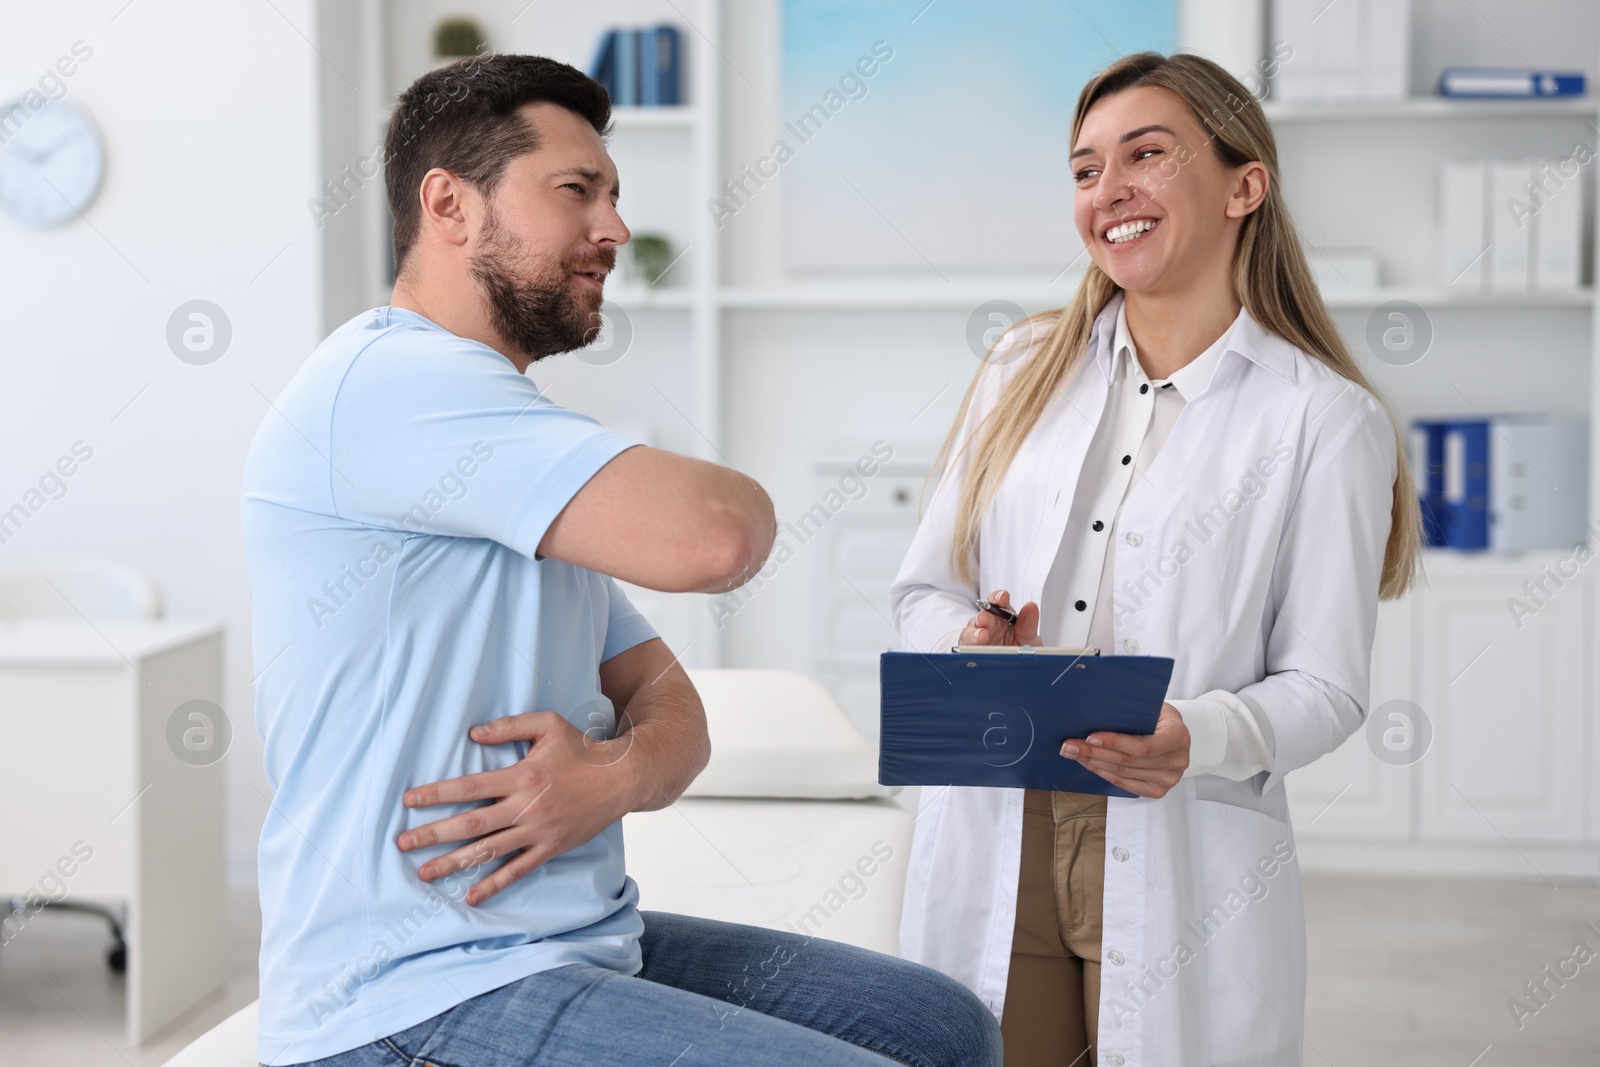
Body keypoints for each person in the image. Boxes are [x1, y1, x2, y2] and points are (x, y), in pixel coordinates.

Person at [241, 53, 1001, 1067]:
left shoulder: (504, 444)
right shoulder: (390, 384)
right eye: (575, 191)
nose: (613, 228)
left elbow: (669, 704)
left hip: (556, 945)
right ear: (449, 205)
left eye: (613, 194)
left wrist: (613, 775)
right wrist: (634, 755)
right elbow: (721, 534)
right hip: (405, 993)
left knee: (941, 1024)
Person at [889, 51, 1423, 1067]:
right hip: (1001, 822)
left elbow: (1327, 686)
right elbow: (923, 587)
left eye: (1146, 154)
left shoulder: (1324, 420)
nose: (1109, 192)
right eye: (1086, 170)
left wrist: (1199, 734)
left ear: (1243, 184)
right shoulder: (1017, 371)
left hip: (1178, 835)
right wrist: (966, 632)